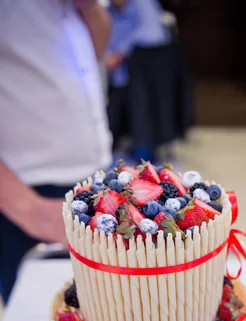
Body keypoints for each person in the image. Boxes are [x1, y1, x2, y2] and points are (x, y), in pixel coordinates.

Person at [0, 0, 112, 303]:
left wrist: (88, 7)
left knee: (104, 313)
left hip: (95, 174)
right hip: (28, 190)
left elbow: (96, 51)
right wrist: (25, 206)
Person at [105, 0, 171, 162]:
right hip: (118, 74)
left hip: (145, 71)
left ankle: (145, 155)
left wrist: (120, 54)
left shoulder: (143, 5)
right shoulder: (107, 10)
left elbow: (152, 34)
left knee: (143, 116)